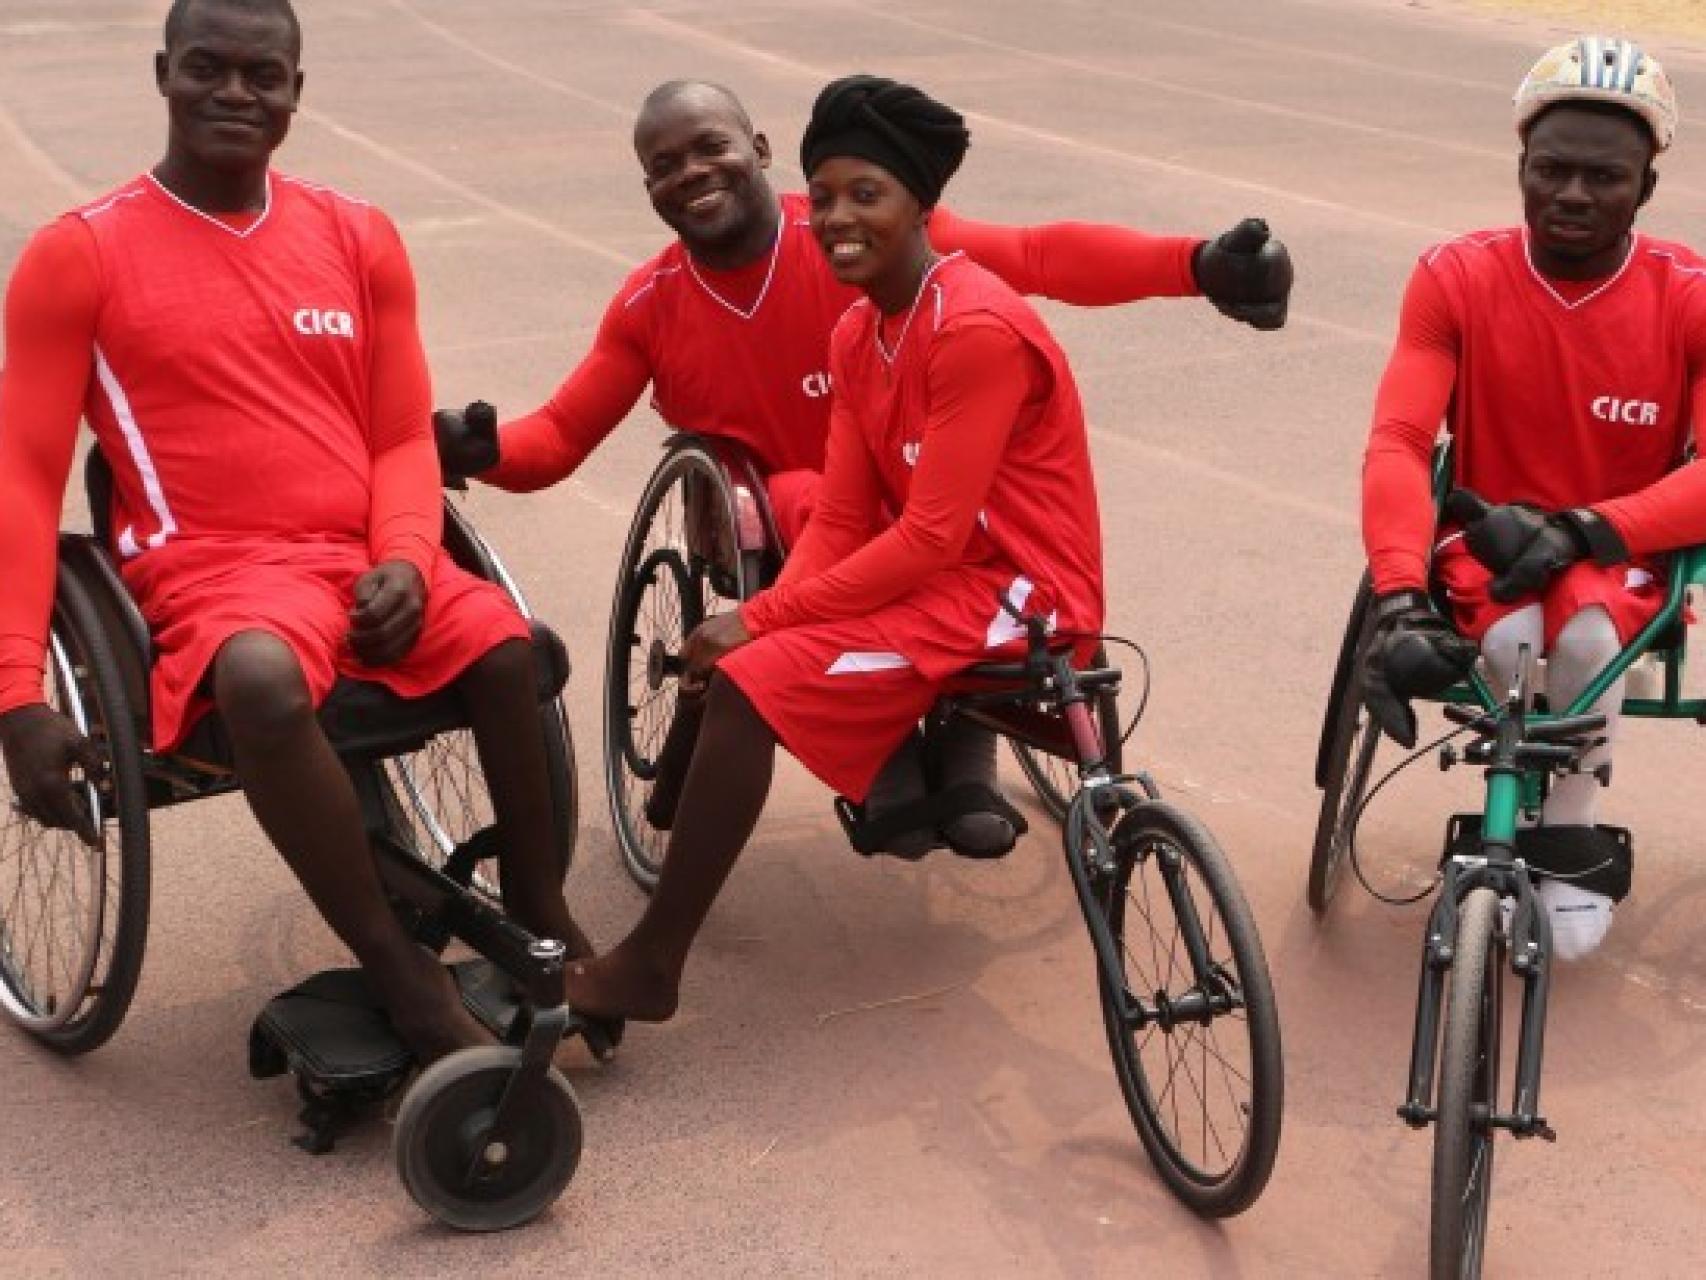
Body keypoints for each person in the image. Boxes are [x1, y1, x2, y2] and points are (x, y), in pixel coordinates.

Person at [434, 76, 1293, 854]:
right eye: (663, 165)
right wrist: (482, 447)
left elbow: (1033, 257)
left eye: (711, 148)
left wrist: (1196, 264)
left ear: (760, 152)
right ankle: (884, 751)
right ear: (647, 188)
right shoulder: (650, 305)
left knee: (938, 520)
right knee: (809, 498)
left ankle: (963, 749)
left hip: (925, 508)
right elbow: (558, 436)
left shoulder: (852, 227)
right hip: (795, 525)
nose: (691, 172)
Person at [0, 0, 588, 1060]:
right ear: (163, 74)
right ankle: (401, 976)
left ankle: (542, 914)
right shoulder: (77, 254)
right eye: (208, 69)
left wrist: (409, 555)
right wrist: (15, 696)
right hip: (209, 570)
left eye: (262, 75)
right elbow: (27, 479)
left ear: (295, 91)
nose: (235, 92)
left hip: (359, 552)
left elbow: (400, 437)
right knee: (263, 682)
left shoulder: (355, 233)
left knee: (509, 644)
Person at [558, 73, 1106, 1022]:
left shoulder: (972, 324)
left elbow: (933, 538)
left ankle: (651, 965)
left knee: (751, 677)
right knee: (760, 649)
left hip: (1022, 595)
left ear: (922, 208)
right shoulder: (860, 331)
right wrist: (760, 622)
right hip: (947, 584)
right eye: (831, 195)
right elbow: (846, 521)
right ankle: (664, 951)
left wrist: (760, 622)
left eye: (869, 196)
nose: (840, 219)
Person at [1359, 36, 1706, 959]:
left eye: (1606, 177)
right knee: (1513, 641)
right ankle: (1505, 817)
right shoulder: (1457, 276)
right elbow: (1398, 442)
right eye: (1552, 171)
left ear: (1647, 189)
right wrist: (1397, 593)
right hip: (1491, 536)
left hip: (1620, 546)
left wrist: (1597, 525)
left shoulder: (1690, 295)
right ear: (1520, 167)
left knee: (1587, 642)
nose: (1575, 196)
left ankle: (1569, 836)